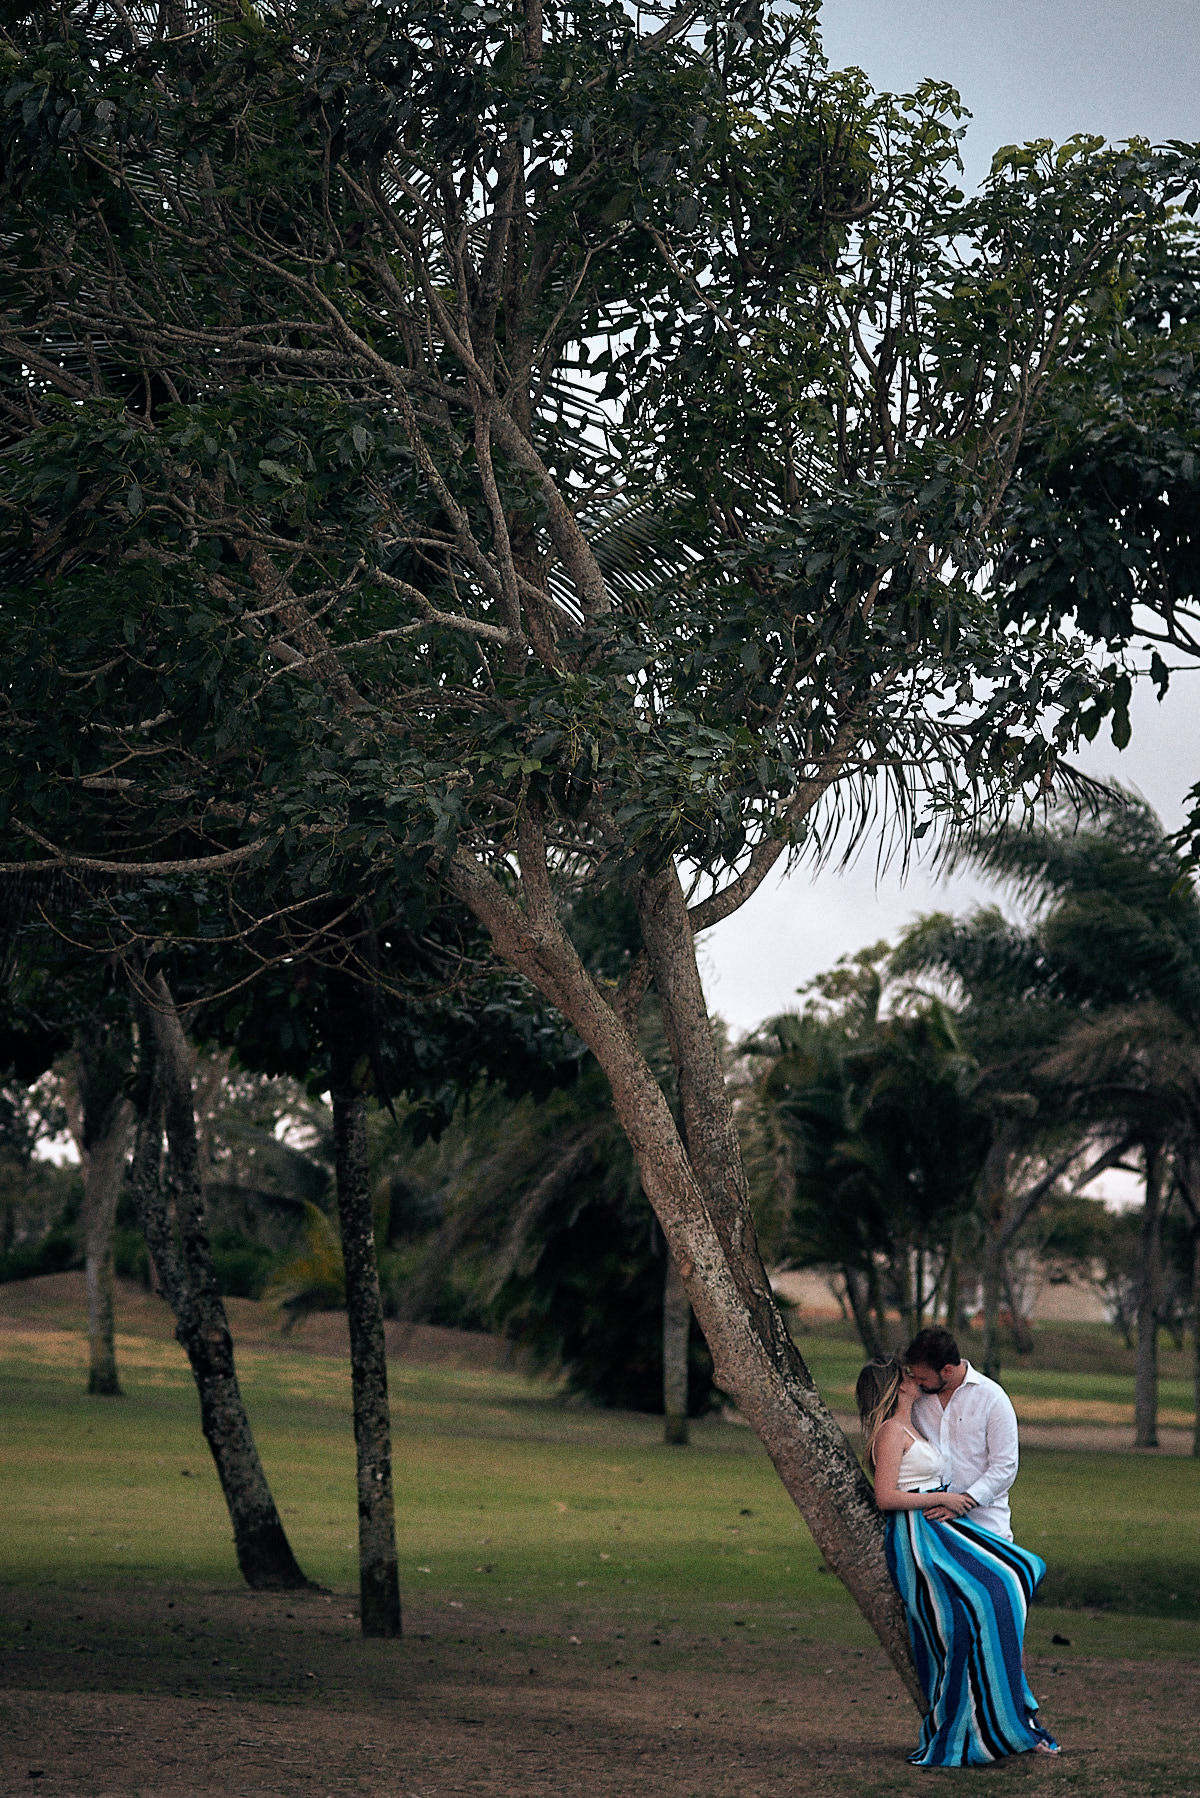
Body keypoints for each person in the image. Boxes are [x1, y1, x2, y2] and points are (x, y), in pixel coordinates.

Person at [856, 1353, 1060, 1767]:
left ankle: (1009, 1713)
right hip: (918, 1536)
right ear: (896, 1386)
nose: (916, 1379)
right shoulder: (891, 1432)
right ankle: (983, 1723)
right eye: (907, 1375)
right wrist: (944, 1498)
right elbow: (885, 1497)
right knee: (988, 1597)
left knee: (1017, 1573)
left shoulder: (915, 1422)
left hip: (940, 1527)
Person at [904, 1326, 1018, 1539]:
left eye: (923, 1378)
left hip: (987, 1527)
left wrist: (965, 1501)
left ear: (947, 1370)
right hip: (930, 1529)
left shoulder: (992, 1398)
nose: (917, 1382)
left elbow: (1005, 1466)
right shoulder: (916, 1401)